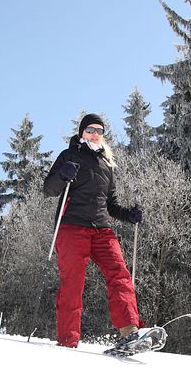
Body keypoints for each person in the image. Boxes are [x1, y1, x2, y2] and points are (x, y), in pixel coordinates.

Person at [44, 113, 143, 349]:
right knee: (73, 284)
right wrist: (62, 174)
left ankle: (130, 332)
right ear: (81, 133)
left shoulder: (106, 164)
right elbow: (49, 189)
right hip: (72, 227)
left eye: (99, 130)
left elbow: (110, 203)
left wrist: (128, 214)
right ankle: (68, 341)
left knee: (119, 273)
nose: (95, 134)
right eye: (90, 130)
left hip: (101, 229)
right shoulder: (69, 156)